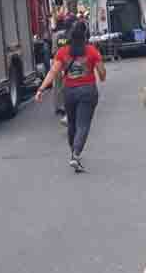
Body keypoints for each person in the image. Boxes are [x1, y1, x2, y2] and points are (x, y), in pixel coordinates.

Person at [36, 22, 106, 172]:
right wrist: (99, 72)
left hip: (69, 92)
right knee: (83, 125)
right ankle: (76, 154)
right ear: (85, 36)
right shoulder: (92, 51)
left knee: (72, 124)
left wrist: (41, 89)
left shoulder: (62, 52)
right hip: (88, 91)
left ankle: (72, 152)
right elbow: (102, 74)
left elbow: (53, 73)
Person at [52, 13, 74, 125]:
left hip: (59, 63)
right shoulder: (74, 35)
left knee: (58, 86)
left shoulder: (57, 36)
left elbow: (54, 51)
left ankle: (60, 107)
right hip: (70, 65)